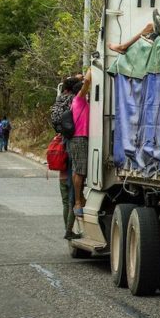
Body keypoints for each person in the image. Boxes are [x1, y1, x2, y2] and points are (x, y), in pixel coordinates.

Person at [52, 77, 79, 239]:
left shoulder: (58, 100)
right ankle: (69, 230)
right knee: (71, 198)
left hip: (61, 141)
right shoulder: (73, 100)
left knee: (64, 200)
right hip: (71, 141)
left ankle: (67, 229)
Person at [69, 69, 92, 220]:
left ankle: (80, 199)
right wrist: (92, 67)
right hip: (79, 138)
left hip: (81, 138)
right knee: (80, 171)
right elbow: (88, 82)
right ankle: (78, 202)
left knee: (79, 170)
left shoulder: (77, 102)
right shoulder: (79, 99)